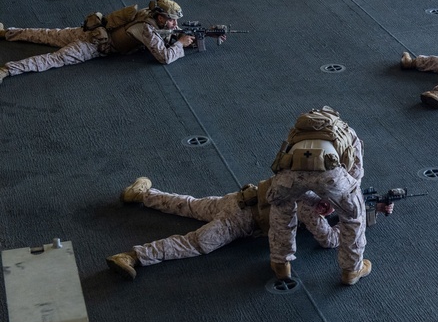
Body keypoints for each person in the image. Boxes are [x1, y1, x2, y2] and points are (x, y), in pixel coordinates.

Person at [106, 175, 392, 281]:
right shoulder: (313, 208)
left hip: (238, 199)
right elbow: (328, 241)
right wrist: (355, 221)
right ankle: (134, 256)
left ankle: (143, 193)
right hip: (239, 222)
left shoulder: (307, 181)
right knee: (195, 243)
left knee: (189, 205)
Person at [267, 107, 371, 285]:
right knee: (354, 213)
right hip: (329, 174)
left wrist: (312, 197)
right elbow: (355, 174)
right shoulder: (348, 132)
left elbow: (284, 165)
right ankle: (351, 271)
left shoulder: (296, 132)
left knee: (280, 206)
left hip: (292, 170)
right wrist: (332, 200)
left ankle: (280, 262)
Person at [0, 0, 193, 85]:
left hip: (91, 30)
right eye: (171, 20)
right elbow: (164, 57)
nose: (175, 24)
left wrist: (186, 35)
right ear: (160, 17)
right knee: (53, 60)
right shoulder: (147, 29)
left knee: (45, 34)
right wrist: (180, 44)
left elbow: (168, 31)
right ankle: (7, 70)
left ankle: (5, 33)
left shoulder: (146, 13)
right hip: (92, 46)